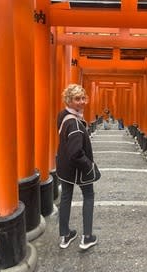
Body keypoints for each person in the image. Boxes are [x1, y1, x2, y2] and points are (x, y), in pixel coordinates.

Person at [56, 83, 99, 250]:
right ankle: (87, 237)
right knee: (89, 196)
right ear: (69, 100)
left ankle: (65, 235)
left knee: (66, 197)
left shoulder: (62, 115)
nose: (81, 102)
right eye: (77, 99)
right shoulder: (74, 123)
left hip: (64, 167)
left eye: (83, 98)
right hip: (79, 169)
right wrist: (90, 166)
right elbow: (76, 152)